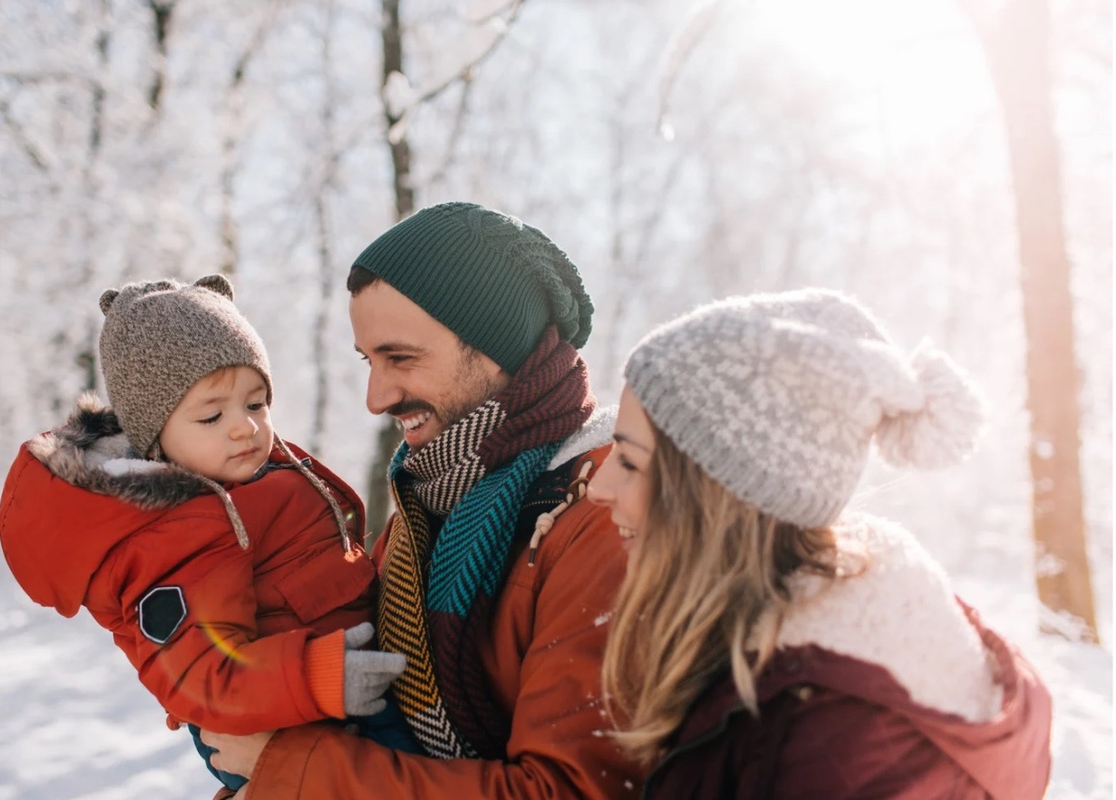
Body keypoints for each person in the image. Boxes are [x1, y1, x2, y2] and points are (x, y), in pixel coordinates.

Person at [200, 202, 647, 799]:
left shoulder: (607, 514)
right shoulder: (425, 501)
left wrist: (290, 770)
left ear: (497, 347)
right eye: (368, 361)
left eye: (400, 358)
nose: (376, 396)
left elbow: (570, 792)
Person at [587, 288, 1054, 799]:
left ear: (718, 498)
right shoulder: (777, 663)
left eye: (630, 462)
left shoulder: (829, 745)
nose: (597, 487)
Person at [0, 275, 417, 795]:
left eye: (257, 403)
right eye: (213, 415)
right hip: (289, 715)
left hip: (335, 687)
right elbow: (197, 672)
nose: (244, 427)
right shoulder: (172, 533)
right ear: (156, 439)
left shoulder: (251, 477)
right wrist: (318, 678)